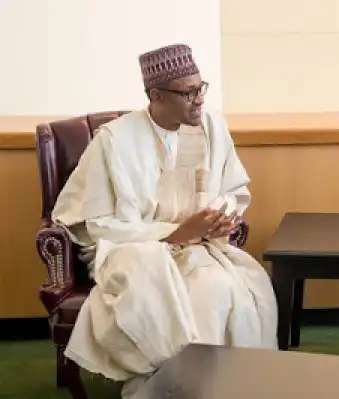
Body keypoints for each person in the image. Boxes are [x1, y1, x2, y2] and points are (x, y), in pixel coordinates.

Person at [51, 43, 278, 397]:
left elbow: (233, 191)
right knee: (156, 291)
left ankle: (218, 387)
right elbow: (92, 224)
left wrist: (221, 217)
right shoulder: (114, 140)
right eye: (187, 93)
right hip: (133, 249)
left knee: (223, 289)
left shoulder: (212, 127)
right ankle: (172, 388)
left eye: (200, 88)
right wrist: (173, 233)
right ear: (156, 96)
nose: (198, 99)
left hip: (201, 248)